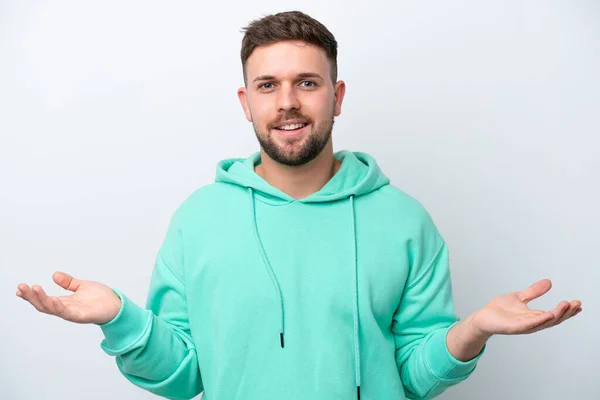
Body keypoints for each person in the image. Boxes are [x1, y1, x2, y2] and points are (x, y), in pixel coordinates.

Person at [15, 10, 582, 400]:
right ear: (245, 102)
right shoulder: (198, 220)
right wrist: (121, 318)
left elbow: (413, 375)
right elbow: (183, 376)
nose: (287, 103)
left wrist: (475, 328)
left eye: (307, 83)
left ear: (337, 96)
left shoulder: (406, 222)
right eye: (267, 86)